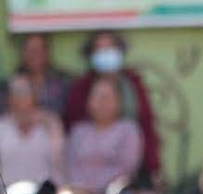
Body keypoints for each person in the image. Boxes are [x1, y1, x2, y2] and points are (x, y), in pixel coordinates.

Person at [63, 31, 160, 179]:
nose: (105, 54)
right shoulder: (81, 90)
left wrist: (153, 168)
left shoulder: (132, 85)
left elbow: (147, 126)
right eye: (100, 49)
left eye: (109, 48)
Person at [64, 75, 143, 194]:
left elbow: (127, 169)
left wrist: (94, 188)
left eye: (108, 97)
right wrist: (80, 188)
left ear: (119, 102)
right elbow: (69, 165)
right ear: (89, 102)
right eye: (98, 97)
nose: (103, 102)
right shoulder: (78, 131)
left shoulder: (128, 130)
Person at [0, 73, 65, 189]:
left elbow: (58, 162)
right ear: (9, 97)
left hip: (44, 193)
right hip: (8, 193)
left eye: (26, 91)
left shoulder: (52, 123)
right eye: (17, 91)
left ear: (35, 95)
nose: (21, 96)